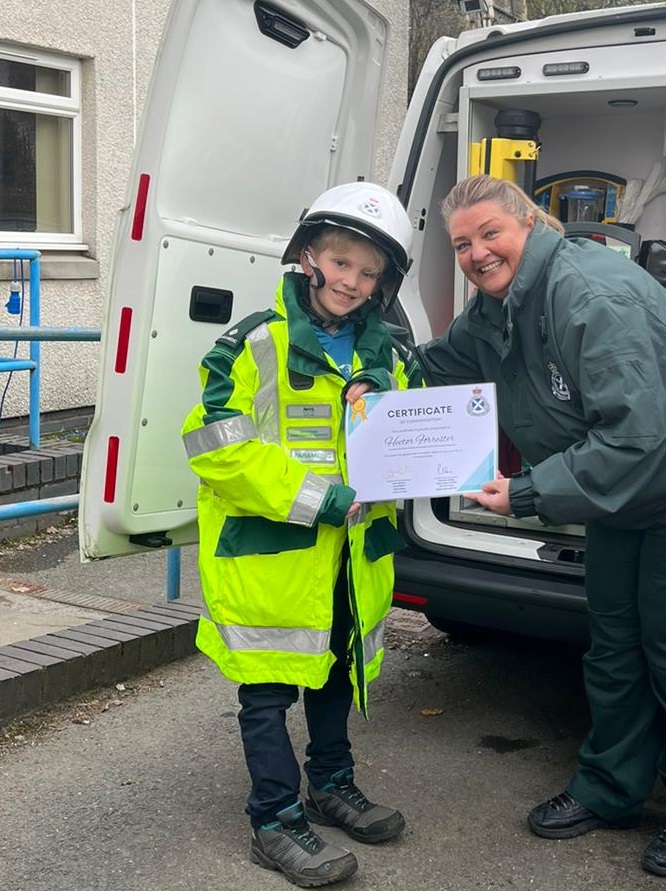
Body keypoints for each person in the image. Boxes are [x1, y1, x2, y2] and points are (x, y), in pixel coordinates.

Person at [415, 174, 666, 879]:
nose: (476, 252)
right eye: (461, 243)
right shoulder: (496, 307)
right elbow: (442, 365)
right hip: (632, 477)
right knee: (615, 635)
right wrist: (371, 378)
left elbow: (634, 433)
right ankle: (611, 788)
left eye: (489, 232)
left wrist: (530, 490)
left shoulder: (588, 293)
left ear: (528, 224)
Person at [181, 182, 414, 887]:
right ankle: (274, 818)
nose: (352, 281)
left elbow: (405, 446)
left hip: (350, 566)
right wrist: (322, 498)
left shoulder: (390, 357)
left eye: (368, 272)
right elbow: (217, 447)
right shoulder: (252, 342)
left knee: (336, 672)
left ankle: (331, 783)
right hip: (271, 563)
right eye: (341, 263)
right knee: (267, 692)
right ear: (307, 256)